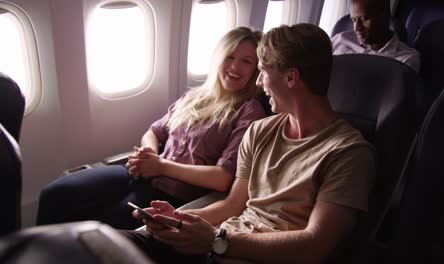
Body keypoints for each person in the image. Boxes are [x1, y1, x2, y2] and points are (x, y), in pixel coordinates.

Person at [121, 23, 376, 263]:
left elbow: (315, 245)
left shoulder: (348, 154)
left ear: (291, 78)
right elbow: (232, 205)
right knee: (100, 245)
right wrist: (175, 219)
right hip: (216, 244)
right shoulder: (260, 131)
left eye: (263, 71)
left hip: (246, 254)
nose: (257, 82)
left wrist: (217, 241)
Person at [36, 27, 267, 229]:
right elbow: (154, 131)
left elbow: (223, 179)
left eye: (246, 61)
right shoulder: (196, 96)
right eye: (230, 56)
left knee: (93, 226)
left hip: (172, 195)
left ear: (256, 69)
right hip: (142, 175)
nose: (235, 66)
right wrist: (149, 154)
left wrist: (162, 166)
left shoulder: (249, 111)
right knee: (55, 195)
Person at [331, 0, 420, 72]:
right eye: (354, 20)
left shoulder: (406, 59)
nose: (357, 28)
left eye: (364, 19)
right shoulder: (339, 40)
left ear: (385, 16)